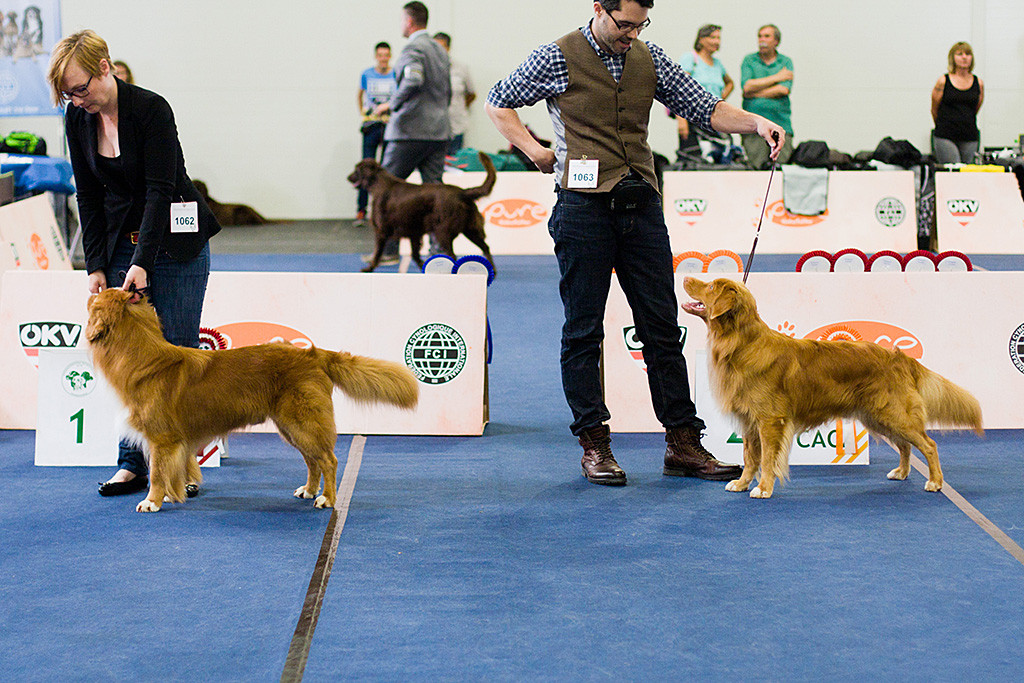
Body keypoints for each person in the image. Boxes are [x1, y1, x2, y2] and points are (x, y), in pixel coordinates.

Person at [485, 0, 785, 486]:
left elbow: (704, 108)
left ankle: (683, 443)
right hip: (582, 209)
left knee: (663, 329)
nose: (632, 34)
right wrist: (536, 151)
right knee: (583, 331)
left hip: (640, 205)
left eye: (640, 24)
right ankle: (594, 445)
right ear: (599, 9)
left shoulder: (651, 57)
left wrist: (755, 122)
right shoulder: (557, 56)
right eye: (624, 24)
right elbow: (498, 101)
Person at [47, 30, 220, 498]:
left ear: (105, 67)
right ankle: (131, 464)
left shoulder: (151, 109)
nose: (76, 100)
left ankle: (181, 470)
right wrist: (96, 264)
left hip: (176, 242)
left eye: (80, 88)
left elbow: (160, 191)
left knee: (177, 355)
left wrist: (143, 261)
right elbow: (87, 193)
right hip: (124, 239)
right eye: (67, 93)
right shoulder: (78, 119)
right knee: (128, 359)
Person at [363, 1, 451, 265]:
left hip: (409, 132)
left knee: (384, 191)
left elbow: (413, 80)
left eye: (402, 20)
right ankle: (439, 251)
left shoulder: (414, 48)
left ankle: (387, 251)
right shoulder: (440, 49)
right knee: (436, 192)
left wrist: (391, 104)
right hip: (438, 131)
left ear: (410, 21)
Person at [676, 23, 734, 159]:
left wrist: (720, 99)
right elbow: (679, 88)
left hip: (714, 119)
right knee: (693, 158)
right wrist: (681, 120)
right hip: (693, 118)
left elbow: (730, 83)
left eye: (719, 38)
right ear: (701, 39)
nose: (717, 42)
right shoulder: (691, 58)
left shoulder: (718, 64)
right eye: (713, 37)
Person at [740, 24, 794, 169]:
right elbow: (746, 87)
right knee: (755, 169)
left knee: (780, 169)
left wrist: (754, 93)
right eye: (760, 36)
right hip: (752, 127)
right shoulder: (749, 60)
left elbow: (783, 90)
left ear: (776, 41)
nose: (761, 40)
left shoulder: (785, 62)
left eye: (766, 36)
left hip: (780, 124)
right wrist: (777, 77)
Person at [356, 42, 397, 224]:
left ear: (390, 56)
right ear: (376, 56)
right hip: (371, 126)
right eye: (380, 55)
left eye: (386, 55)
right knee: (366, 167)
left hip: (390, 127)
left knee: (387, 168)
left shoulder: (395, 74)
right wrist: (363, 113)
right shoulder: (367, 74)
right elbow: (359, 94)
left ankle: (384, 208)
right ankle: (361, 210)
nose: (383, 58)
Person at [931, 41, 984, 165]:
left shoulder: (978, 83)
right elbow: (934, 109)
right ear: (953, 58)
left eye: (967, 54)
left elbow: (976, 108)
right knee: (953, 169)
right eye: (960, 54)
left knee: (967, 172)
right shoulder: (943, 81)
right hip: (946, 135)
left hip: (969, 136)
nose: (964, 57)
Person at [433, 32, 476, 154]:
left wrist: (460, 106)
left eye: (441, 47)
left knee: (455, 162)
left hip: (456, 124)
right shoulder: (428, 68)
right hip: (434, 127)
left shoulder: (461, 68)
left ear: (448, 48)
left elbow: (471, 94)